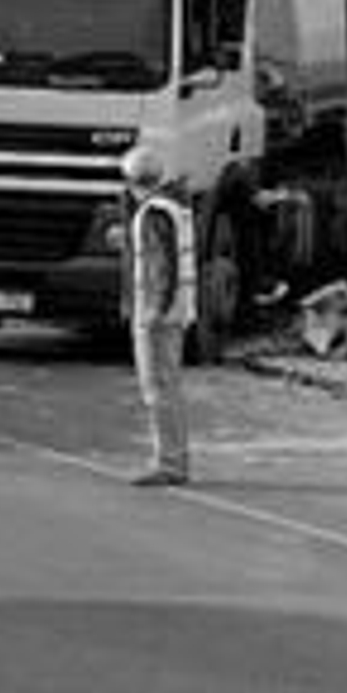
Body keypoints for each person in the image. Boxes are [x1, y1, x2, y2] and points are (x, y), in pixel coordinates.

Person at [120, 146, 196, 487]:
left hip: (158, 315)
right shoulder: (173, 206)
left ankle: (169, 464)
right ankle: (175, 460)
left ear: (131, 180)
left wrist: (152, 311)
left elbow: (160, 266)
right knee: (170, 387)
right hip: (176, 310)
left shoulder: (151, 214)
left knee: (158, 390)